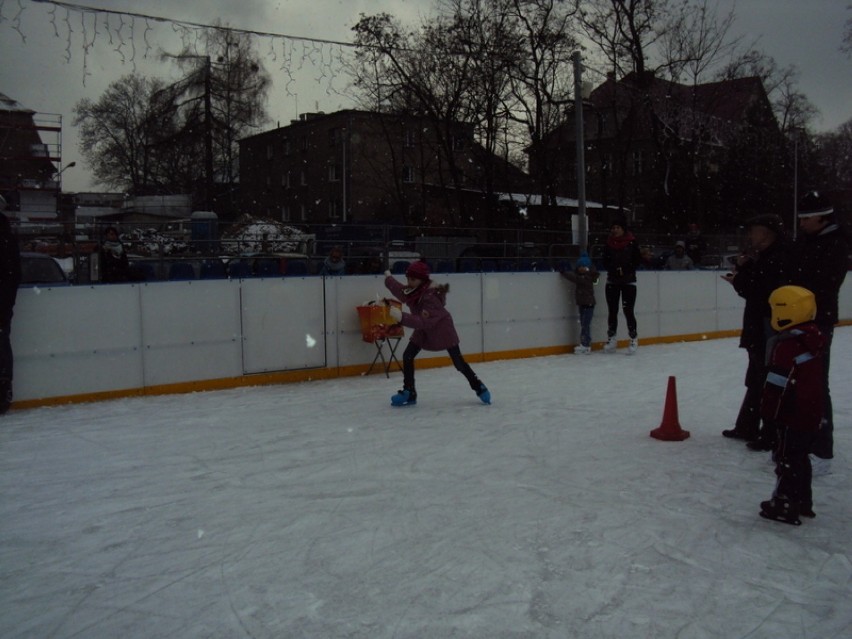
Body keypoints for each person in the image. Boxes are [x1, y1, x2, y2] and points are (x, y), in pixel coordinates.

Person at [789, 191, 849, 464]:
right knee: (799, 380)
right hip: (798, 317)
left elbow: (824, 281)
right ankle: (802, 436)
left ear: (823, 219)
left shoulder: (835, 244)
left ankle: (822, 442)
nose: (801, 223)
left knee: (815, 381)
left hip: (818, 319)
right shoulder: (807, 241)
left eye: (806, 218)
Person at [758, 286, 826, 525]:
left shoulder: (788, 345)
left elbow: (777, 385)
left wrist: (768, 415)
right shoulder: (812, 336)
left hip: (792, 413)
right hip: (811, 411)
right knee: (800, 457)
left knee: (787, 458)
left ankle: (785, 503)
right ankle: (803, 502)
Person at [720, 214, 789, 444]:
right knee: (758, 377)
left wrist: (739, 278)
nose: (750, 235)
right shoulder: (768, 257)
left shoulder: (776, 257)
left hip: (766, 326)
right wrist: (744, 271)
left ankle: (768, 433)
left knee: (766, 377)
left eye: (754, 230)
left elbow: (759, 291)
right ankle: (748, 426)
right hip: (761, 325)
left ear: (767, 233)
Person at [384, 260, 490, 406]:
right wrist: (388, 278)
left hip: (442, 331)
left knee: (459, 363)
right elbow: (400, 291)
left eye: (412, 279)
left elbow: (424, 321)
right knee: (408, 355)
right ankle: (409, 392)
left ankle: (479, 386)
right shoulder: (414, 290)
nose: (409, 282)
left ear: (422, 280)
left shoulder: (430, 296)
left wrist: (402, 317)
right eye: (408, 279)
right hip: (423, 331)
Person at [601, 218, 641, 354]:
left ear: (623, 229)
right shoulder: (608, 243)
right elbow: (605, 261)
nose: (615, 230)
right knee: (612, 310)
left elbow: (636, 260)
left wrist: (625, 269)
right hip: (612, 281)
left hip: (628, 282)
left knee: (628, 310)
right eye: (613, 227)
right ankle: (611, 338)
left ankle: (633, 338)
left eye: (618, 227)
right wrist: (614, 268)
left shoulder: (631, 243)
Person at [0, 202, 21, 414]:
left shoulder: (6, 238)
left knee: (1, 343)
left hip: (1, 304)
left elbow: (13, 274)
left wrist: (5, 302)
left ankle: (3, 390)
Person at [560, 253, 599, 354]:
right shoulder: (584, 275)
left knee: (585, 324)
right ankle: (585, 343)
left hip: (588, 304)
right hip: (583, 303)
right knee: (583, 323)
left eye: (584, 266)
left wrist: (564, 272)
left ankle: (585, 344)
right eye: (580, 266)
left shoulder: (587, 277)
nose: (582, 268)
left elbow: (576, 279)